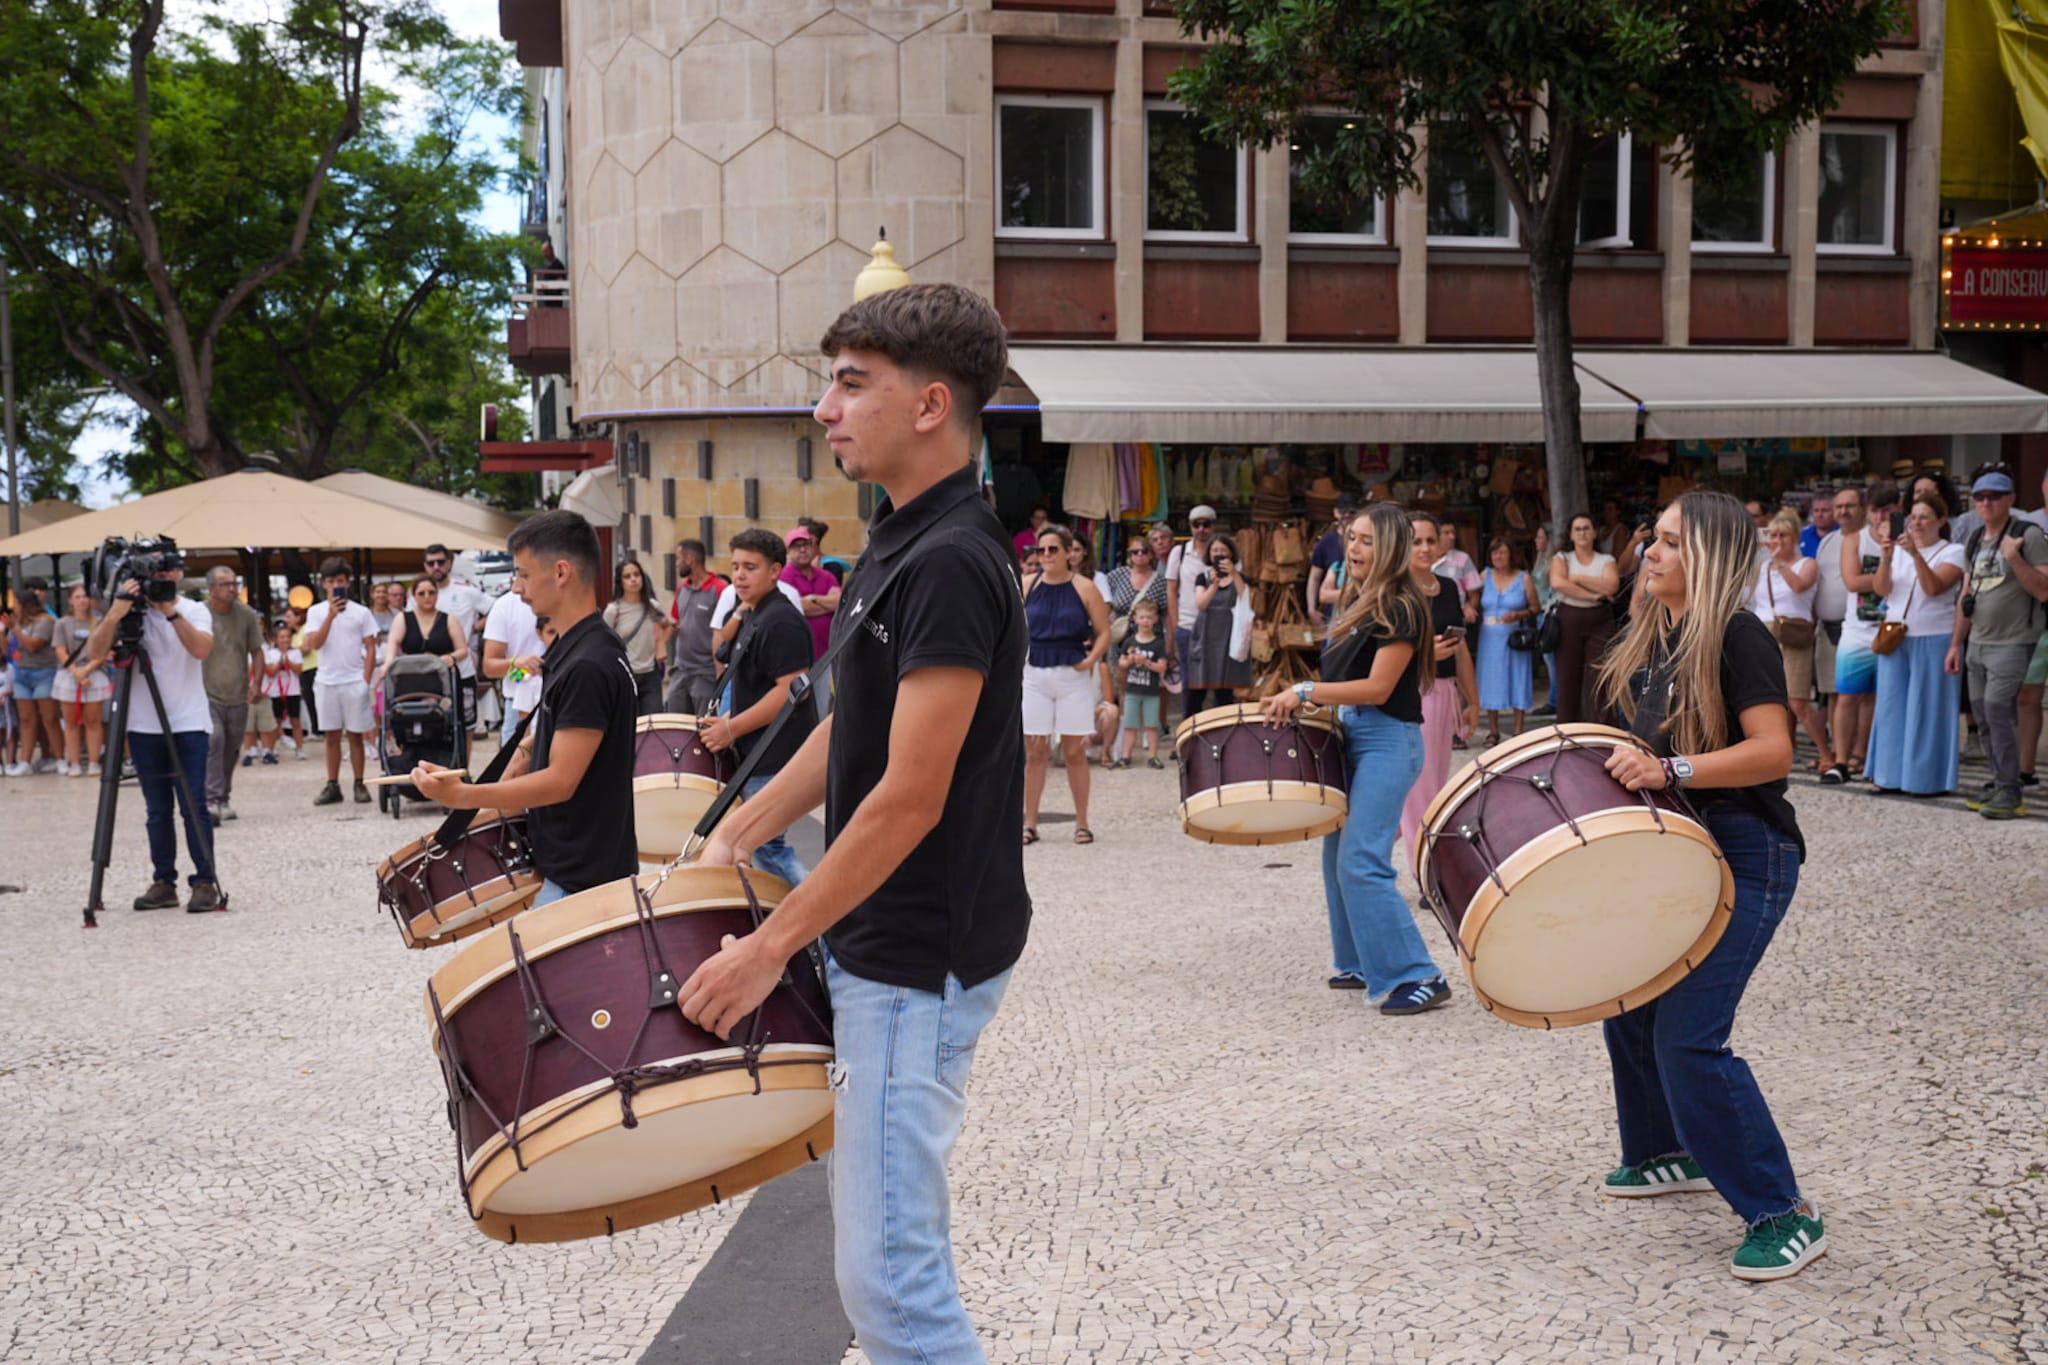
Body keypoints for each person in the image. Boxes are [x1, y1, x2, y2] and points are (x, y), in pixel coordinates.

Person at [677, 282, 1029, 1365]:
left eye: (849, 385)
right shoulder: (893, 541)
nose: (824, 408)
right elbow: (853, 725)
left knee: (891, 1284)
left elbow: (909, 797)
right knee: (881, 1267)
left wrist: (767, 949)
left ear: (929, 404)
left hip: (919, 952)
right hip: (886, 940)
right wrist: (736, 833)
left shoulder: (953, 559)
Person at [1591, 489, 1821, 1281]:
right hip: (1685, 852)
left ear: (1710, 556)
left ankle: (1782, 1211)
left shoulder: (1737, 632)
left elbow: (1774, 750)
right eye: (1652, 537)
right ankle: (1665, 1150)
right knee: (1629, 1004)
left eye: (1669, 541)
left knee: (1689, 1037)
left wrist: (1670, 768)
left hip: (1750, 853)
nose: (1650, 552)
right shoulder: (1663, 637)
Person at [1262, 503, 1451, 1016]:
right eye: (1352, 538)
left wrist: (1305, 691)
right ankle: (1359, 961)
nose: (1354, 548)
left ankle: (1419, 974)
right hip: (1355, 733)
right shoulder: (1360, 601)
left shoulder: (1402, 606)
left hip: (1389, 740)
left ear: (1389, 547)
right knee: (1336, 856)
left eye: (1367, 540)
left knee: (1361, 859)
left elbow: (1378, 687)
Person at [414, 511, 637, 908]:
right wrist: (524, 751)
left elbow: (560, 781)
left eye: (524, 574)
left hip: (581, 882)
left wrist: (464, 795)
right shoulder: (577, 646)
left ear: (562, 572)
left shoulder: (588, 663)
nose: (517, 588)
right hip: (573, 870)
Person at [84, 555, 223, 913]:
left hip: (188, 722)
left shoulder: (194, 610)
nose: (160, 578)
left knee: (194, 805)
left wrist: (169, 612)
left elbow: (202, 649)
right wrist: (114, 614)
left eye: (165, 572)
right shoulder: (129, 612)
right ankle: (164, 881)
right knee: (157, 810)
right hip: (143, 725)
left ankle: (205, 881)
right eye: (153, 574)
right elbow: (95, 652)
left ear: (178, 574)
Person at [700, 528, 815, 886]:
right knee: (754, 847)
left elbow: (791, 691)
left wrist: (732, 729)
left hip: (775, 753)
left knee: (767, 848)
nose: (739, 575)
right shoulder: (754, 612)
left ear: (775, 571)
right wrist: (727, 720)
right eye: (735, 566)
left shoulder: (780, 620)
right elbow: (758, 684)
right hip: (759, 751)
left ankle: (821, 915)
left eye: (750, 567)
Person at [1950, 468, 2048, 819]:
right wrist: (1956, 644)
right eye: (1980, 497)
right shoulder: (1976, 538)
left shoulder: (2027, 535)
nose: (1986, 503)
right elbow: (1966, 595)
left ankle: (2011, 790)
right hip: (1978, 641)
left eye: (1994, 496)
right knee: (1983, 716)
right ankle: (1999, 780)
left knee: (1998, 712)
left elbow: (2044, 590)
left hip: (2013, 641)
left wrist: (2014, 558)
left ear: (2010, 500)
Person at [1862, 493, 1966, 795]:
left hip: (1933, 636)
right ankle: (1888, 775)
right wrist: (1886, 557)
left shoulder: (1953, 551)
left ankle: (1924, 780)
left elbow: (1934, 587)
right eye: (1913, 518)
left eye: (1924, 517)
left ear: (1941, 521)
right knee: (1891, 708)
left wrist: (1916, 555)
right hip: (1895, 636)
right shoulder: (1897, 551)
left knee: (1927, 710)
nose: (1917, 523)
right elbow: (1881, 589)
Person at [1021, 522, 1110, 846]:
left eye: (1052, 549)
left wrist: (1090, 661)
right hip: (1034, 673)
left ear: (1068, 552)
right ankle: (1030, 823)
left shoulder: (1085, 587)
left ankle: (1082, 823)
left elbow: (1104, 631)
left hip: (1073, 674)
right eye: (1041, 549)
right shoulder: (1027, 584)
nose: (1046, 555)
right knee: (1035, 751)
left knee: (1074, 751)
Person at [1399, 514, 1480, 862]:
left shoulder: (1447, 587)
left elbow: (1460, 648)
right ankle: (1424, 864)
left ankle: (1424, 858)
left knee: (1435, 782)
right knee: (1418, 785)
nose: (1425, 548)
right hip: (1410, 692)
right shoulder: (1396, 590)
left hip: (1445, 692)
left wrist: (1473, 700)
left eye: (1431, 541)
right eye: (1416, 541)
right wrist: (1424, 652)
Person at [1755, 511, 1834, 775]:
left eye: (1783, 536)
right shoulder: (1762, 568)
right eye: (1773, 535)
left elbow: (1799, 587)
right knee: (1771, 700)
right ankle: (1781, 751)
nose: (1777, 541)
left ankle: (1826, 754)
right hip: (1764, 632)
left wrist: (1780, 564)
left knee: (1798, 701)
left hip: (1793, 633)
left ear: (1795, 538)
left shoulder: (1807, 564)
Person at [302, 560, 379, 807]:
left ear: (348, 583)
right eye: (332, 581)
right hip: (327, 680)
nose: (336, 585)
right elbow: (315, 644)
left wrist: (366, 680)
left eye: (341, 581)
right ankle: (332, 783)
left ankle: (359, 782)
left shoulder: (361, 612)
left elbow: (371, 646)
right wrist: (331, 615)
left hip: (354, 679)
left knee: (356, 736)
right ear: (324, 584)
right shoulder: (316, 611)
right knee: (331, 736)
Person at [1835, 479, 1899, 775]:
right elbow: (1851, 581)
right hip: (1857, 630)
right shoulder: (1855, 540)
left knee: (1877, 697)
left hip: (1893, 629)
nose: (1881, 517)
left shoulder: (1905, 540)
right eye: (1875, 510)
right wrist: (1888, 578)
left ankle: (1863, 754)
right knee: (1848, 696)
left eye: (1887, 511)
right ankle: (1841, 759)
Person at [202, 567, 266, 823]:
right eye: (225, 584)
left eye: (234, 583)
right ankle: (211, 798)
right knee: (215, 741)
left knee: (231, 749)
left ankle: (223, 797)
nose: (232, 588)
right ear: (211, 589)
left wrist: (257, 683)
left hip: (238, 693)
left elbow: (257, 651)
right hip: (207, 692)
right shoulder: (200, 613)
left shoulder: (246, 614)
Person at [1550, 514, 1619, 724]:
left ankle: (1602, 731)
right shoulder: (1562, 558)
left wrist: (1577, 578)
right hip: (1568, 619)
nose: (1582, 533)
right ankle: (1567, 730)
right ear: (1570, 535)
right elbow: (1558, 583)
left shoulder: (1606, 560)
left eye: (1586, 528)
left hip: (1600, 621)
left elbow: (1611, 586)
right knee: (1567, 679)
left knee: (1601, 678)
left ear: (1595, 533)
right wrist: (1592, 595)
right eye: (1577, 529)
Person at [1811, 486, 1857, 782]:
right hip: (1826, 628)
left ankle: (1856, 754)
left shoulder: (1868, 538)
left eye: (1849, 506)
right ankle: (1838, 752)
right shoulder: (1827, 541)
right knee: (1831, 693)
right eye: (1838, 506)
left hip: (1855, 627)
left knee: (1854, 696)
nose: (1843, 512)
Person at [423, 545, 490, 735]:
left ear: (450, 563)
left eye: (441, 562)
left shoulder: (466, 590)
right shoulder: (419, 593)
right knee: (434, 724)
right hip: (429, 671)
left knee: (466, 725)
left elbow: (495, 609)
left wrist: (476, 627)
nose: (436, 567)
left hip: (462, 667)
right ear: (425, 566)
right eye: (431, 563)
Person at [1183, 534, 1252, 716]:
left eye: (1223, 550)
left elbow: (1244, 597)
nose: (1218, 553)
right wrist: (1214, 585)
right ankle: (1190, 728)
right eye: (1215, 550)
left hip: (1229, 637)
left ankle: (1223, 730)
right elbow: (1201, 604)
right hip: (1205, 636)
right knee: (1196, 689)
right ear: (1209, 554)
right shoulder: (1202, 577)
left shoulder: (1241, 577)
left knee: (1225, 691)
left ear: (1231, 553)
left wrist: (1234, 574)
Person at [1475, 537, 1535, 744]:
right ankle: (1493, 731)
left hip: (1513, 637)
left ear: (1511, 554)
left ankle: (1519, 730)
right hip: (1489, 636)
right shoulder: (1484, 576)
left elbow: (1535, 607)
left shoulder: (1524, 578)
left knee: (1518, 677)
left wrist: (1519, 614)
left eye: (1502, 552)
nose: (1498, 557)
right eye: (1494, 553)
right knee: (1490, 681)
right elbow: (1473, 600)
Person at [663, 539, 729, 715]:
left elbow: (728, 631)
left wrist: (720, 674)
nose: (677, 564)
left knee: (704, 726)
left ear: (689, 559)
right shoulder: (681, 589)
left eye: (679, 558)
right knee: (674, 724)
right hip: (680, 671)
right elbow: (676, 619)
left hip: (706, 674)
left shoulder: (720, 589)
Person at [52, 584, 109, 777]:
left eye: (85, 596)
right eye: (77, 597)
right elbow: (60, 650)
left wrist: (87, 670)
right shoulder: (62, 623)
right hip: (69, 673)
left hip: (94, 673)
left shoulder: (99, 622)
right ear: (70, 600)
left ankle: (93, 762)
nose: (82, 600)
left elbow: (103, 650)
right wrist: (76, 672)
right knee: (70, 722)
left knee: (93, 721)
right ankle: (74, 763)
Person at [7, 578, 60, 775]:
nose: (14, 607)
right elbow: (9, 648)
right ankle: (25, 762)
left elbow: (32, 645)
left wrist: (15, 628)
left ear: (25, 605)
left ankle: (60, 758)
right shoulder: (20, 623)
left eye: (16, 604)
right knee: (26, 718)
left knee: (50, 718)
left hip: (43, 673)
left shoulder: (45, 621)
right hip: (22, 673)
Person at [1166, 505, 1220, 693]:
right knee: (1190, 687)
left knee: (1221, 685)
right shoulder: (1179, 552)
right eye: (1196, 524)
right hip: (1188, 626)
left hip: (1220, 629)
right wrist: (1176, 624)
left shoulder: (1224, 552)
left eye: (1206, 524)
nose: (1201, 529)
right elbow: (1171, 590)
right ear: (1190, 526)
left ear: (1214, 526)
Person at [482, 586, 547, 741]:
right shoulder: (505, 605)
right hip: (516, 700)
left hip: (558, 700)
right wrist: (517, 663)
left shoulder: (565, 599)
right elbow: (489, 666)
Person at [602, 558, 665, 716]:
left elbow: (668, 625)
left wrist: (661, 645)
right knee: (630, 723)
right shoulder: (613, 611)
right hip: (625, 675)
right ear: (620, 582)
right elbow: (603, 642)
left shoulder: (653, 606)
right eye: (627, 576)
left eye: (637, 574)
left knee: (653, 722)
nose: (633, 579)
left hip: (651, 674)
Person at [381, 574, 472, 680]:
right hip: (411, 676)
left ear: (437, 594)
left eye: (431, 592)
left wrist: (452, 657)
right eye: (421, 593)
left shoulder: (450, 619)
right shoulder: (402, 618)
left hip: (442, 676)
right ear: (414, 596)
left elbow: (463, 649)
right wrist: (388, 663)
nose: (427, 597)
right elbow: (393, 643)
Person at [1114, 596, 1168, 768]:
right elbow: (1121, 663)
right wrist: (1130, 660)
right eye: (1142, 617)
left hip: (1151, 692)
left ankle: (1153, 756)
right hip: (1132, 691)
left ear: (1155, 620)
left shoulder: (1159, 644)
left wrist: (1146, 662)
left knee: (1151, 726)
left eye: (1149, 618)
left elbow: (1162, 667)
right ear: (1135, 619)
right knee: (1130, 726)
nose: (1145, 621)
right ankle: (1125, 756)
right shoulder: (1129, 642)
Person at [782, 524, 841, 661]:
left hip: (829, 652)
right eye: (797, 546)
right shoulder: (784, 577)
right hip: (800, 655)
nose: (803, 549)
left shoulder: (826, 576)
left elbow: (840, 602)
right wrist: (827, 603)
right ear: (788, 551)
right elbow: (800, 608)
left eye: (806, 544)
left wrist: (813, 598)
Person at [243, 621, 293, 767]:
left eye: (260, 625)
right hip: (247, 693)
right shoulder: (243, 646)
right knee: (248, 725)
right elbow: (245, 670)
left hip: (264, 692)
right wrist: (258, 665)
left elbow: (271, 671)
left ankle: (267, 751)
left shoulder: (266, 648)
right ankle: (249, 751)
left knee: (266, 724)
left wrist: (260, 664)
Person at [1530, 523, 1561, 715]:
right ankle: (1555, 698)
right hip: (1540, 613)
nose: (1536, 540)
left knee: (1551, 659)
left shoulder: (1554, 561)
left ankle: (1554, 700)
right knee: (1548, 659)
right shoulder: (1540, 560)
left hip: (1550, 612)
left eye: (1540, 537)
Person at [1306, 505, 1352, 630]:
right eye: (1344, 511)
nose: (1348, 515)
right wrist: (1311, 609)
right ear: (1336, 512)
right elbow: (1315, 579)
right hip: (1333, 615)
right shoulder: (1327, 544)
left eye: (1352, 512)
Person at [1433, 514, 1483, 625]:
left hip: (1455, 621)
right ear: (1435, 535)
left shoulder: (1463, 559)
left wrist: (1469, 608)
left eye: (1453, 532)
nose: (1452, 537)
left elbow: (1474, 594)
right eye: (1446, 533)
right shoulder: (1423, 559)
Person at [1801, 489, 1835, 560]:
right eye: (1816, 511)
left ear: (1835, 512)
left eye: (1825, 510)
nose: (1819, 515)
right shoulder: (1802, 535)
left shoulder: (1843, 535)